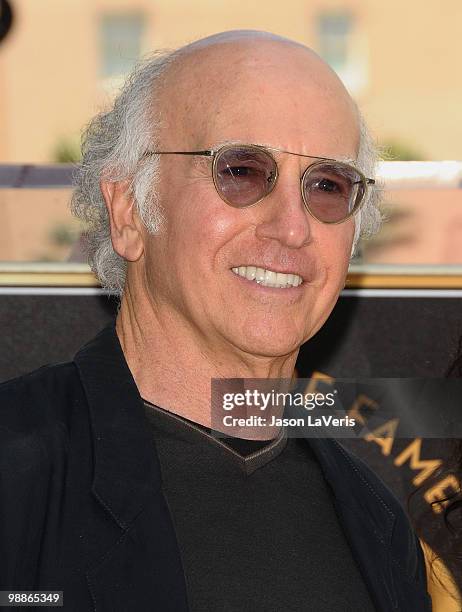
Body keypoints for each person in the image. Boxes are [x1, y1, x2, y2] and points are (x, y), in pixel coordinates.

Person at [0, 31, 431, 611]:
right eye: (242, 172)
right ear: (128, 211)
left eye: (328, 186)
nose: (293, 228)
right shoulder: (15, 474)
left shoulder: (378, 526)